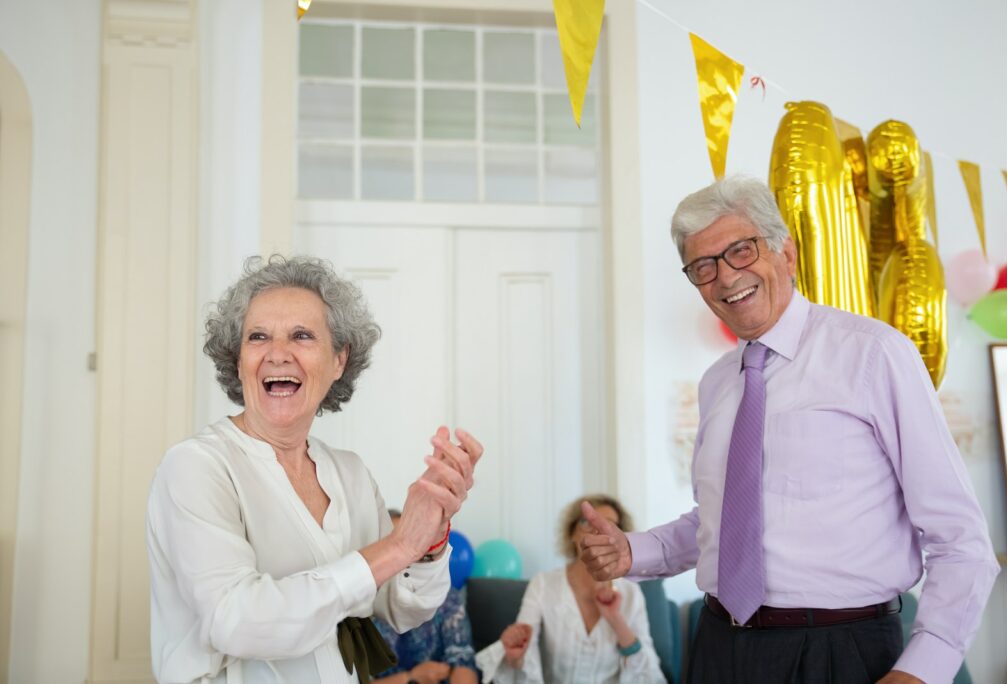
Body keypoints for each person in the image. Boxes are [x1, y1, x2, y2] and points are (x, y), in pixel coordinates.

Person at [579, 176, 999, 684]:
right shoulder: (717, 384)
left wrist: (923, 670)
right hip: (717, 649)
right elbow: (724, 524)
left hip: (841, 654)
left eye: (740, 250)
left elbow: (961, 538)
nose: (725, 277)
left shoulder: (874, 355)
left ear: (786, 252)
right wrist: (632, 551)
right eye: (702, 267)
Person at [146, 255, 484, 684]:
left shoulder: (350, 473)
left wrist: (431, 534)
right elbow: (236, 621)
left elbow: (402, 608)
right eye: (258, 336)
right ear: (237, 359)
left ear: (339, 360)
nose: (277, 353)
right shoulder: (195, 467)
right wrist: (398, 547)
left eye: (301, 335)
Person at [475, 495, 666, 683]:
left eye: (608, 524)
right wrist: (515, 656)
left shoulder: (632, 592)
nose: (596, 530)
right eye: (586, 521)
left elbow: (650, 675)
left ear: (620, 539)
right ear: (572, 533)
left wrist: (616, 620)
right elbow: (523, 659)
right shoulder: (542, 585)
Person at [373, 509, 479, 684]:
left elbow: (463, 660)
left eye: (406, 543)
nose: (401, 556)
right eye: (391, 546)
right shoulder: (361, 605)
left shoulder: (446, 596)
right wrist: (411, 678)